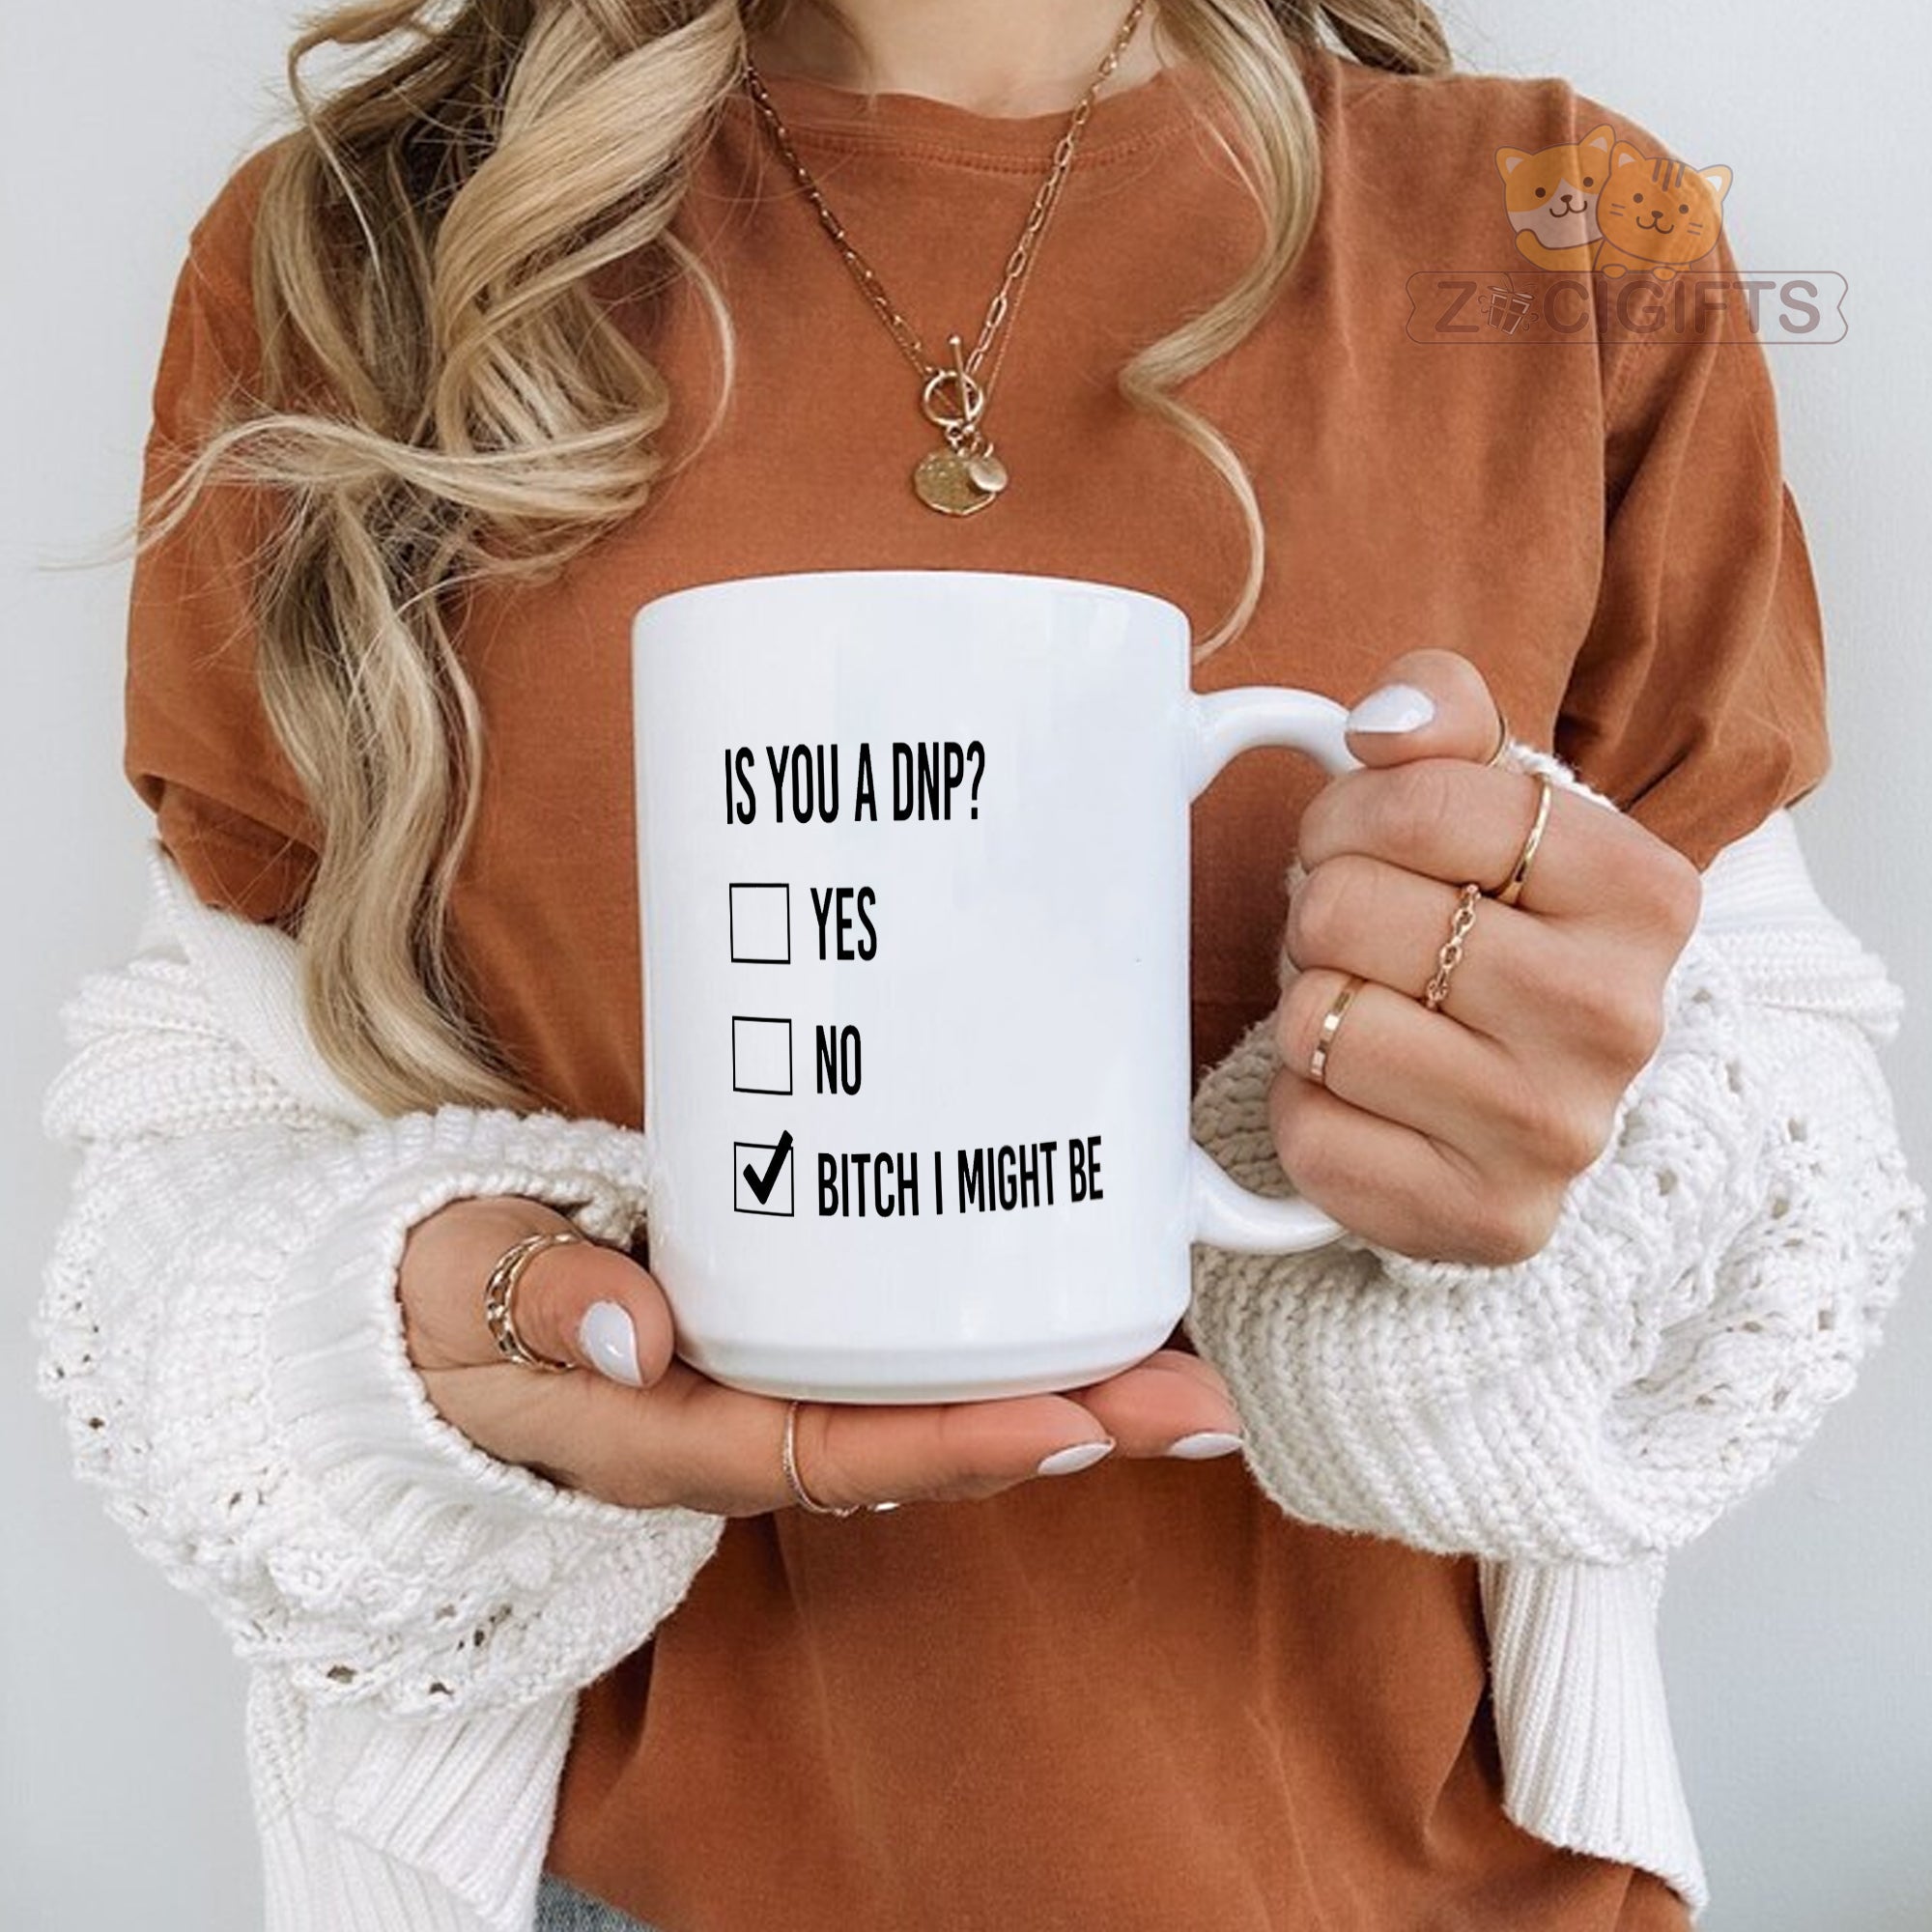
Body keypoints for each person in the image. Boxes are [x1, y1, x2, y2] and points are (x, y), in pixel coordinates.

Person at [33, 2, 1922, 1929]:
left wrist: (1529, 1187)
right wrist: (384, 1360)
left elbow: (1786, 1162)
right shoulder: (358, 257)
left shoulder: (1554, 230)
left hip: (1440, 1874)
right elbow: (201, 1135)